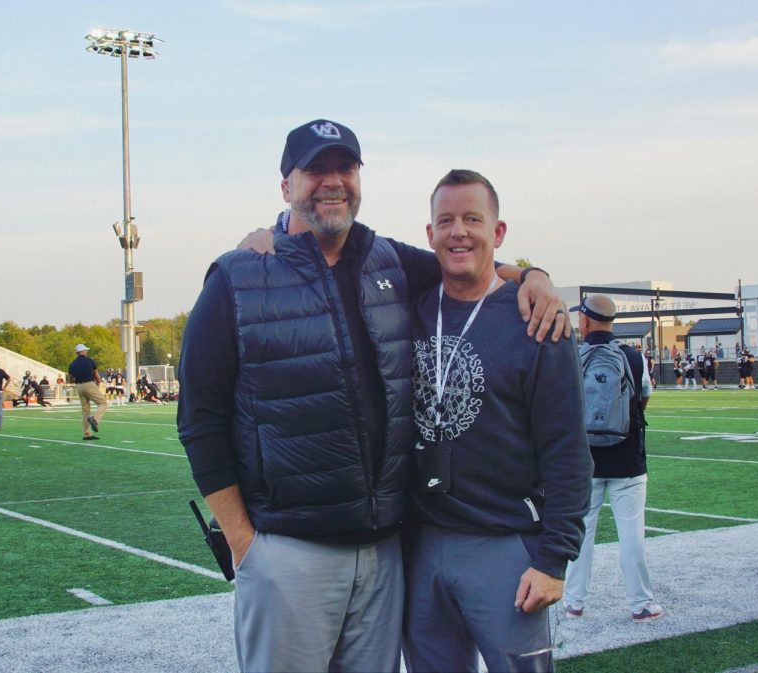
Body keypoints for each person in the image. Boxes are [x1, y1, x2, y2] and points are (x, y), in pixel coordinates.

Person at [178, 121, 569, 673]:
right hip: (289, 551)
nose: (332, 182)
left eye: (346, 168)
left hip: (386, 553)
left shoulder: (388, 260)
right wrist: (246, 544)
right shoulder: (238, 277)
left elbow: (464, 260)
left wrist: (533, 275)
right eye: (315, 170)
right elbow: (199, 417)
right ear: (285, 185)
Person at [402, 170, 589, 673]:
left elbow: (567, 448)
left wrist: (554, 561)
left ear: (498, 232)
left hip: (505, 546)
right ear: (429, 234)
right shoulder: (408, 307)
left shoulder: (536, 319)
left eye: (472, 219)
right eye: (446, 221)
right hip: (420, 542)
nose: (458, 231)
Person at [563, 294, 661, 624]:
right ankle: (641, 604)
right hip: (628, 459)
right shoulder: (633, 357)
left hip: (584, 462)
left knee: (581, 532)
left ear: (586, 321)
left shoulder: (573, 357)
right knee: (632, 534)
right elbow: (643, 398)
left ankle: (574, 601)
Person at [69, 344, 106, 441]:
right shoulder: (89, 361)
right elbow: (96, 374)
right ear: (83, 351)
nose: (87, 352)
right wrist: (98, 382)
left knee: (85, 411)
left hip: (79, 386)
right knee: (102, 403)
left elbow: (71, 377)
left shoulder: (73, 363)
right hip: (89, 384)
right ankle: (95, 420)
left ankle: (87, 434)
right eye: (86, 350)